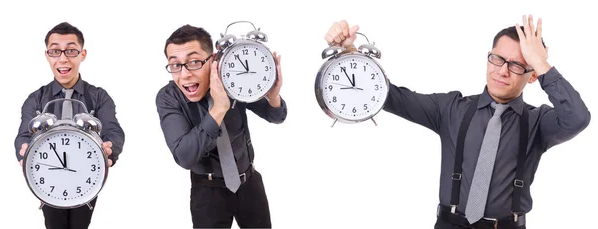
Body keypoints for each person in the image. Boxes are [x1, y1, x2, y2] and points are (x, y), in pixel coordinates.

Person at [325, 15, 590, 229]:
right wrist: (349, 53)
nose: (502, 70)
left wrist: (541, 64)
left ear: (532, 76)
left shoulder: (538, 123)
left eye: (518, 65)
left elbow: (578, 118)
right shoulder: (452, 109)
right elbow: (388, 96)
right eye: (497, 59)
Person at [155, 24, 287, 228]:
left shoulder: (232, 78)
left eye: (194, 62)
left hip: (249, 185)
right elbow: (184, 156)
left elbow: (276, 116)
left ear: (213, 60)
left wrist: (273, 96)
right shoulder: (168, 98)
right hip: (207, 194)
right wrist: (218, 109)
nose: (185, 74)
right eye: (175, 65)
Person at [14, 22, 126, 229]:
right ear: (47, 55)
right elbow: (23, 136)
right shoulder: (36, 99)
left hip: (85, 174)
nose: (63, 58)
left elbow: (114, 131)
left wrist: (110, 148)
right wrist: (23, 151)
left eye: (71, 51)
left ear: (82, 54)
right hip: (49, 176)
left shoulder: (99, 97)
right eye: (55, 51)